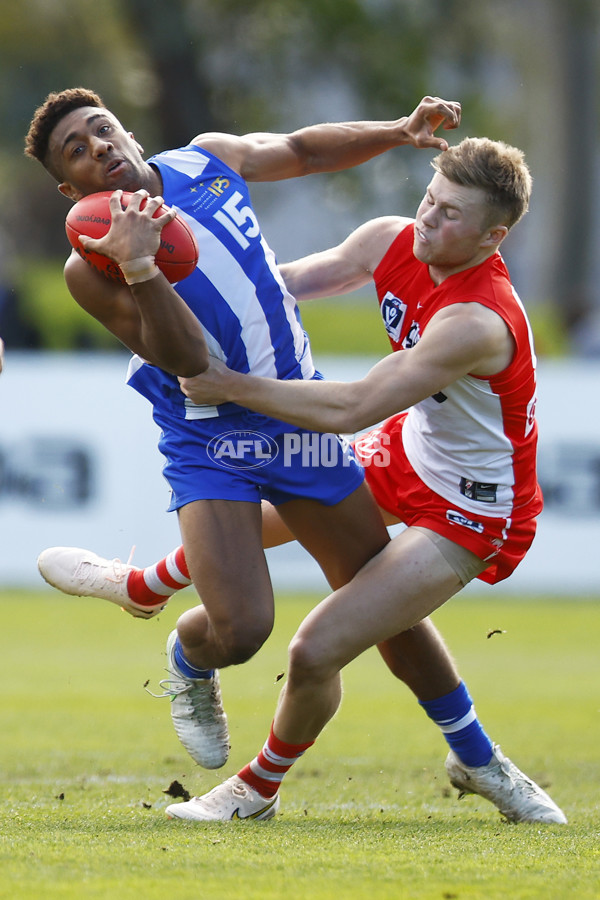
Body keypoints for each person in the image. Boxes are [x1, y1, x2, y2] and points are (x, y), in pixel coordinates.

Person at [36, 130, 565, 823]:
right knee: (349, 596)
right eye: (430, 200)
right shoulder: (393, 239)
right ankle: (143, 587)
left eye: (451, 215)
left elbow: (350, 409)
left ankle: (257, 791)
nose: (428, 221)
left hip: (470, 506)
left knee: (317, 647)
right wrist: (177, 300)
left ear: (494, 237)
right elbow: (279, 284)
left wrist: (229, 379)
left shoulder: (475, 320)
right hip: (406, 453)